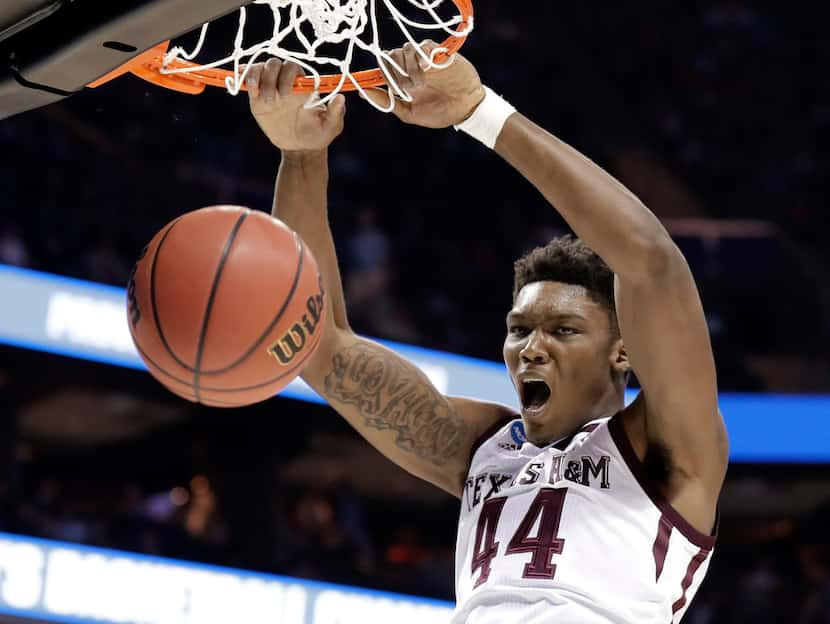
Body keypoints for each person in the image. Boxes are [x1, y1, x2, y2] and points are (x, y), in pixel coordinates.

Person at [244, 40, 729, 623]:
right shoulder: (484, 449)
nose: (531, 347)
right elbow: (319, 348)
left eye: (564, 330)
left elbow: (650, 261)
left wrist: (480, 113)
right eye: (518, 329)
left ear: (622, 351)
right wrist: (301, 154)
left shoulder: (665, 450)